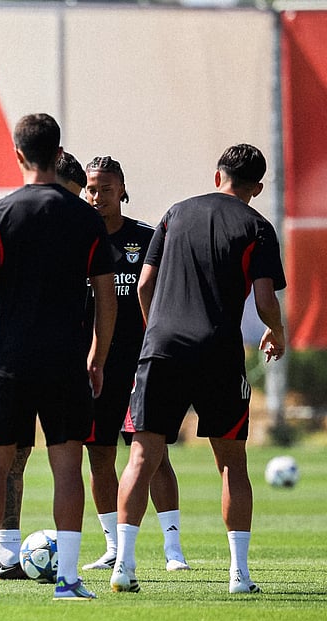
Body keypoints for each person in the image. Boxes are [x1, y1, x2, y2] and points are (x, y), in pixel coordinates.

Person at [111, 144, 285, 595]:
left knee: (142, 456)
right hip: (218, 352)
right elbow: (265, 300)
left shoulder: (175, 213)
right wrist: (277, 330)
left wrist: (156, 332)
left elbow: (144, 283)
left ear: (217, 176)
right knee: (231, 464)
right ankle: (239, 576)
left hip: (162, 348)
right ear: (258, 187)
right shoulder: (258, 227)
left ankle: (124, 566)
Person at [0, 113, 114, 600]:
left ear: (19, 154)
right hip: (66, 360)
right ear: (57, 150)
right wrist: (98, 355)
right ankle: (67, 580)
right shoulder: (85, 217)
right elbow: (106, 297)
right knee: (68, 467)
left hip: (8, 359)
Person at [0, 156, 86, 583]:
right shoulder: (7, 218)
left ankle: (7, 552)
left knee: (18, 454)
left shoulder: (69, 227)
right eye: (67, 192)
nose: (68, 203)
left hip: (42, 354)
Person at [79, 156, 188, 572]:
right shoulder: (78, 241)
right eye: (91, 188)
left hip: (143, 366)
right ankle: (112, 546)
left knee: (154, 456)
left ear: (122, 189)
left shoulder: (144, 238)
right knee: (100, 455)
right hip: (95, 366)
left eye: (106, 188)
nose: (97, 196)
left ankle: (173, 548)